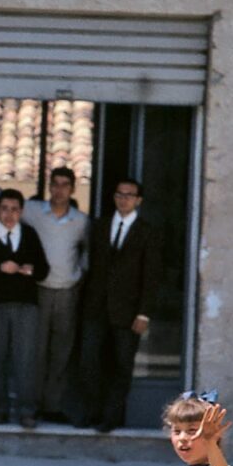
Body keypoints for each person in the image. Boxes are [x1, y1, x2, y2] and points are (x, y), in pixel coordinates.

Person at [0, 164, 90, 423]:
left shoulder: (70, 223)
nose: (9, 213)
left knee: (44, 355)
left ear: (72, 189)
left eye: (65, 185)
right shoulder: (25, 218)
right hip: (14, 299)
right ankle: (4, 408)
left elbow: (54, 263)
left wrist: (33, 270)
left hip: (49, 296)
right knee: (11, 356)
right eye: (55, 184)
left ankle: (40, 408)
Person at [78, 178, 160, 432]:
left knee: (121, 366)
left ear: (138, 200)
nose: (123, 198)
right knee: (89, 361)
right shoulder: (100, 226)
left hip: (129, 311)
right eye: (119, 194)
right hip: (96, 308)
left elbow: (152, 275)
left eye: (129, 195)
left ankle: (112, 418)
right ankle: (92, 412)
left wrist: (144, 312)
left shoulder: (147, 231)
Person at [0, 188, 50, 427]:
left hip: (25, 305)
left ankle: (27, 411)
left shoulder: (29, 234)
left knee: (25, 359)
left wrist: (28, 269)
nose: (9, 214)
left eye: (15, 209)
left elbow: (43, 269)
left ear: (21, 211)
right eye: (5, 209)